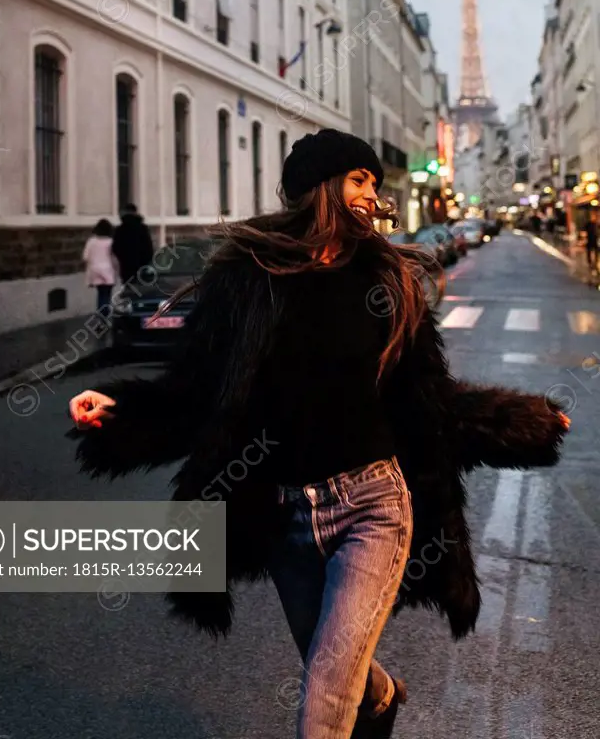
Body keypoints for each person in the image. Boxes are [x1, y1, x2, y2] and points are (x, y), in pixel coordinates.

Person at [67, 129, 570, 739]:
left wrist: (523, 420)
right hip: (283, 518)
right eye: (358, 180)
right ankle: (381, 694)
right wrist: (116, 408)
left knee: (325, 698)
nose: (370, 195)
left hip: (375, 505)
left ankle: (362, 697)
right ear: (320, 189)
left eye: (374, 185)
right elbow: (197, 390)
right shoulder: (247, 281)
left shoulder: (387, 282)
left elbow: (429, 398)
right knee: (333, 666)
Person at [111, 202, 154, 284]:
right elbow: (149, 247)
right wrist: (147, 261)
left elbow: (115, 248)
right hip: (141, 265)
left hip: (126, 265)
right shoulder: (143, 228)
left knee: (128, 289)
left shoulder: (120, 229)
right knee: (141, 289)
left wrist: (122, 258)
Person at [82, 218, 118, 314]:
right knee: (107, 294)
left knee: (101, 294)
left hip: (95, 270)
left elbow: (85, 257)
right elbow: (115, 258)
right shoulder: (111, 242)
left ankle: (101, 317)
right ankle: (105, 315)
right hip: (108, 270)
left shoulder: (91, 241)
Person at [585, 209, 598, 275]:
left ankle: (595, 261)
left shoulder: (596, 224)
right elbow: (585, 231)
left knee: (596, 251)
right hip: (589, 239)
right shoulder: (588, 224)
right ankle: (589, 262)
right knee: (589, 251)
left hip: (594, 240)